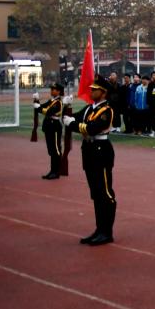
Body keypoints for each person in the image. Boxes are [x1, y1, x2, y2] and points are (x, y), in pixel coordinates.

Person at [65, 78, 117, 245]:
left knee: (105, 193)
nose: (91, 91)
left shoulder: (106, 110)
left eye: (95, 89)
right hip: (89, 151)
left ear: (103, 93)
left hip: (101, 151)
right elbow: (74, 118)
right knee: (96, 193)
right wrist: (66, 108)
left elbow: (92, 129)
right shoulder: (89, 108)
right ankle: (99, 229)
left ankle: (107, 232)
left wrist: (73, 124)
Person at [33, 83, 66, 179]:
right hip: (49, 127)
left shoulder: (58, 102)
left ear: (59, 91)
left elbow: (48, 111)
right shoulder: (51, 101)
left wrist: (38, 107)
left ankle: (56, 171)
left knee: (56, 150)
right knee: (51, 150)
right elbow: (41, 107)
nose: (51, 91)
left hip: (54, 127)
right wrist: (37, 100)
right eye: (51, 89)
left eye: (54, 89)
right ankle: (52, 171)